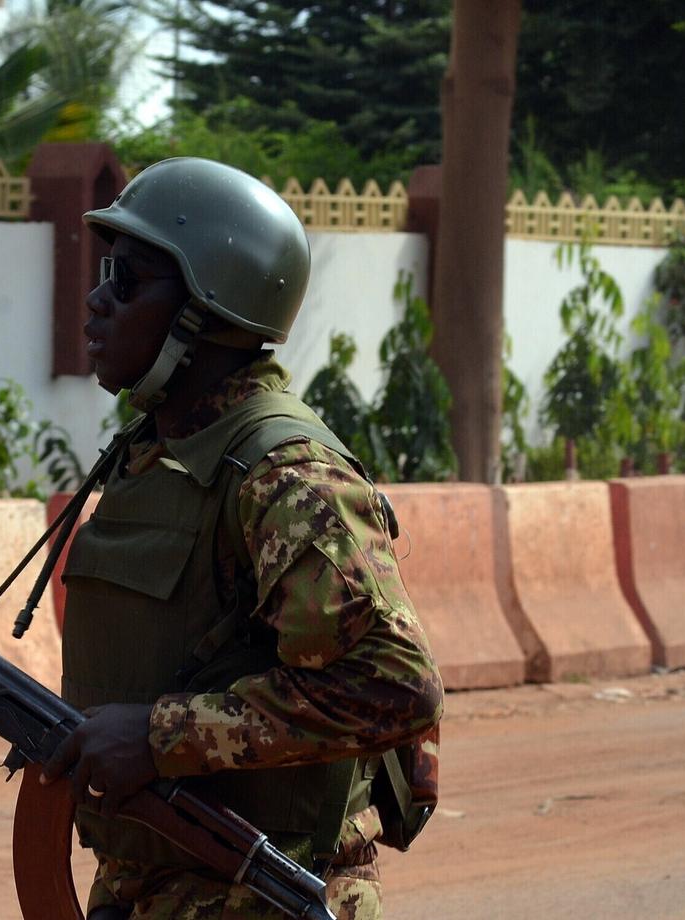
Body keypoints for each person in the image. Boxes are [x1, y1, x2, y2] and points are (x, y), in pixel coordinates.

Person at [40, 157, 445, 920]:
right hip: (153, 879)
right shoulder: (158, 450)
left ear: (206, 309)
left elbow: (397, 686)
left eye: (126, 280)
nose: (95, 302)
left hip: (259, 893)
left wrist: (162, 737)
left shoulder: (284, 474)